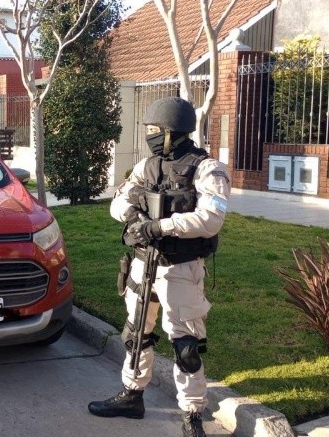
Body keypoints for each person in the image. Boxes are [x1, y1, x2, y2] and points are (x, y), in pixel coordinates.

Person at [87, 97, 231, 437]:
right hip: (141, 264)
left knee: (186, 345)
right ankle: (132, 395)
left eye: (155, 130)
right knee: (136, 334)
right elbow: (118, 202)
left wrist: (161, 226)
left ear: (171, 132)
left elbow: (211, 219)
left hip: (179, 268)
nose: (150, 136)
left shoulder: (208, 169)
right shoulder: (147, 166)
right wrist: (136, 217)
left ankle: (192, 414)